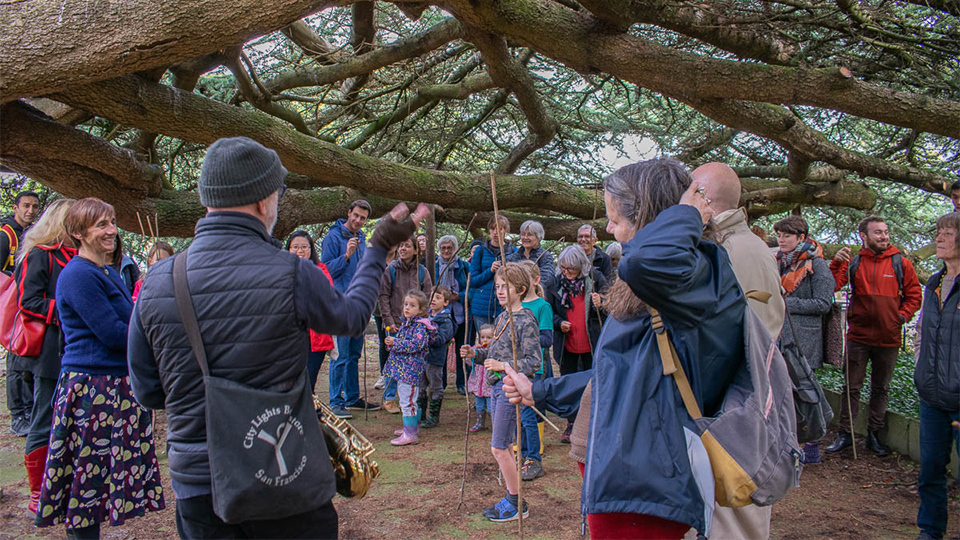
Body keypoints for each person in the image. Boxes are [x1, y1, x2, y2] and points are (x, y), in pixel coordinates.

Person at [128, 136, 426, 539]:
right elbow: (354, 317)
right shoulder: (292, 272)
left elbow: (147, 391)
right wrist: (377, 247)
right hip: (285, 472)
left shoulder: (157, 282)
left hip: (199, 482)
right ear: (263, 200)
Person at [503, 158, 743, 539]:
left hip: (647, 477)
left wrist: (685, 213)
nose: (609, 228)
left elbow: (643, 263)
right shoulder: (672, 278)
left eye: (616, 218)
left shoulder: (690, 272)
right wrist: (540, 390)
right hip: (630, 470)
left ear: (647, 217)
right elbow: (622, 376)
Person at [35, 198, 165, 538]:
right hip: (93, 390)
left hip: (113, 386)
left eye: (111, 222)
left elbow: (130, 320)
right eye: (101, 225)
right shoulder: (77, 275)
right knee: (85, 483)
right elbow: (112, 333)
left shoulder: (105, 270)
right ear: (78, 232)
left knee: (99, 480)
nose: (111, 230)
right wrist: (158, 337)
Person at [693, 162, 786, 539]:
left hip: (737, 407)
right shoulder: (733, 245)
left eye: (690, 192)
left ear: (704, 197)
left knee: (736, 517)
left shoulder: (737, 251)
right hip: (730, 404)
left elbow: (747, 343)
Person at [825, 216, 923, 457]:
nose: (884, 236)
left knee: (881, 388)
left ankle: (874, 435)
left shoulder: (901, 263)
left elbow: (914, 296)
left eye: (886, 232)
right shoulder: (855, 262)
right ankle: (845, 434)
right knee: (852, 387)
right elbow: (833, 286)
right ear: (864, 236)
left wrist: (900, 317)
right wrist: (836, 264)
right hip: (858, 336)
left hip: (888, 339)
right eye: (878, 233)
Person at [460, 263, 541, 523]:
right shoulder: (502, 317)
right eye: (497, 287)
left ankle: (517, 503)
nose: (499, 291)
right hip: (496, 387)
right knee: (504, 445)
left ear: (521, 289)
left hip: (511, 390)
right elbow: (495, 355)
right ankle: (512, 497)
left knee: (498, 448)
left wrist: (504, 367)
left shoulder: (526, 319)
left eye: (505, 287)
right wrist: (477, 353)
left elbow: (534, 362)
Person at [14, 198, 76, 515]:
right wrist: (66, 310)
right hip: (48, 351)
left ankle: (63, 485)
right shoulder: (39, 255)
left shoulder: (76, 254)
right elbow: (28, 302)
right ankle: (38, 492)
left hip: (73, 351)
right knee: (42, 418)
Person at [913, 212, 960, 540]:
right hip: (931, 396)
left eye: (947, 233)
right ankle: (930, 531)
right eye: (938, 232)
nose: (939, 239)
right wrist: (920, 370)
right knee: (930, 470)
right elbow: (921, 333)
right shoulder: (933, 283)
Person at [774, 214, 835, 464]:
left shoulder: (817, 265)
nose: (781, 239)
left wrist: (786, 302)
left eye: (787, 235)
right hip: (780, 336)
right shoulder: (778, 263)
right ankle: (788, 442)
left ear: (801, 238)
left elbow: (822, 303)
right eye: (779, 235)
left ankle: (812, 445)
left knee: (807, 392)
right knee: (784, 392)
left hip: (804, 339)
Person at [322, 198, 380, 416]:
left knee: (354, 354)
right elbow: (326, 270)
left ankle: (353, 397)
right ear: (348, 213)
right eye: (355, 215)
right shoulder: (333, 237)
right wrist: (346, 255)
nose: (358, 220)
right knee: (340, 355)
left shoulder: (362, 239)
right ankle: (336, 401)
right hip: (340, 304)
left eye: (363, 218)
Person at [550, 244, 607, 444]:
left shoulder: (595, 280)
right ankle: (572, 423)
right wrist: (559, 323)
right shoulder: (555, 283)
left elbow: (611, 305)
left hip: (592, 343)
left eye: (571, 269)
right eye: (563, 268)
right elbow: (549, 312)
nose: (567, 273)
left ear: (581, 266)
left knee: (593, 385)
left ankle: (595, 423)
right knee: (570, 384)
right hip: (568, 345)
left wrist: (602, 302)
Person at [378, 236, 434, 414]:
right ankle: (389, 397)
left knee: (410, 361)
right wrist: (389, 321)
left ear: (416, 250)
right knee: (393, 362)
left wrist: (423, 320)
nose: (403, 248)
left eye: (407, 246)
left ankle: (408, 397)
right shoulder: (391, 270)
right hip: (395, 323)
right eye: (401, 245)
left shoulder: (422, 271)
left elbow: (428, 296)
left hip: (415, 325)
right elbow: (383, 296)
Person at [3, 190, 41, 437]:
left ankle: (28, 411)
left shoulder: (31, 235)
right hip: (10, 304)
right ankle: (18, 414)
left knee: (27, 356)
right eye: (26, 205)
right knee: (15, 358)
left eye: (35, 207)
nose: (30, 211)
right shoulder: (5, 236)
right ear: (16, 207)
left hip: (26, 304)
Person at [286, 230, 336, 393]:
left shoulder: (320, 269)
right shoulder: (281, 269)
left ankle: (310, 411)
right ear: (288, 249)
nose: (300, 251)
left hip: (315, 336)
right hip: (288, 335)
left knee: (309, 379)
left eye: (304, 247)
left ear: (311, 249)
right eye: (295, 247)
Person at [383, 290, 435, 445]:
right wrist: (391, 344)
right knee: (407, 399)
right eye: (406, 304)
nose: (407, 308)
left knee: (408, 401)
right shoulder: (407, 325)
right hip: (403, 370)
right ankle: (410, 427)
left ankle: (410, 433)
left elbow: (416, 345)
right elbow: (402, 344)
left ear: (421, 310)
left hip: (410, 371)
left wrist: (396, 343)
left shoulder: (419, 327)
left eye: (412, 306)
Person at [518, 260, 554, 481]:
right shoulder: (514, 306)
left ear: (534, 281)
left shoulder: (542, 307)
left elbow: (547, 338)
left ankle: (534, 458)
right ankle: (521, 455)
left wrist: (522, 340)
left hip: (534, 369)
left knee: (529, 415)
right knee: (517, 414)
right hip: (514, 368)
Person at [469, 215, 515, 337]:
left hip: (505, 308)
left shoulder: (513, 252)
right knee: (485, 344)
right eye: (493, 229)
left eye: (499, 229)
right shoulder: (480, 251)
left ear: (505, 230)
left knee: (503, 344)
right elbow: (472, 281)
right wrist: (490, 271)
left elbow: (517, 280)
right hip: (482, 308)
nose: (495, 233)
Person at [435, 235, 469, 394]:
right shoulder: (434, 266)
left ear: (455, 248)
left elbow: (472, 289)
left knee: (463, 349)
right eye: (443, 248)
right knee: (440, 348)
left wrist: (459, 296)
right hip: (440, 315)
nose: (446, 251)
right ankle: (440, 383)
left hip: (461, 313)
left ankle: (463, 383)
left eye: (449, 247)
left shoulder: (464, 267)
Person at [420, 287, 456, 428]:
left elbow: (440, 339)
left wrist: (427, 333)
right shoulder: (425, 316)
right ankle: (420, 414)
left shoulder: (445, 321)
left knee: (435, 387)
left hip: (435, 359)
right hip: (422, 358)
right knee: (421, 386)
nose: (433, 299)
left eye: (438, 297)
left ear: (446, 302)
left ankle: (433, 416)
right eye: (432, 296)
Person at [506, 219, 557, 298]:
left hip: (537, 299)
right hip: (516, 300)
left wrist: (530, 292)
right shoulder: (512, 258)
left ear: (539, 237)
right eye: (523, 234)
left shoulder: (546, 256)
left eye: (529, 234)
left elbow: (547, 279)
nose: (525, 237)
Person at [467, 324, 494, 432]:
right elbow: (468, 362)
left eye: (488, 338)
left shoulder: (495, 351)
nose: (485, 340)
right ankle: (479, 422)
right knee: (479, 405)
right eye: (482, 337)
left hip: (489, 385)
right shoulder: (477, 350)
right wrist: (473, 352)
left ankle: (495, 424)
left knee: (491, 406)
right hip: (478, 384)